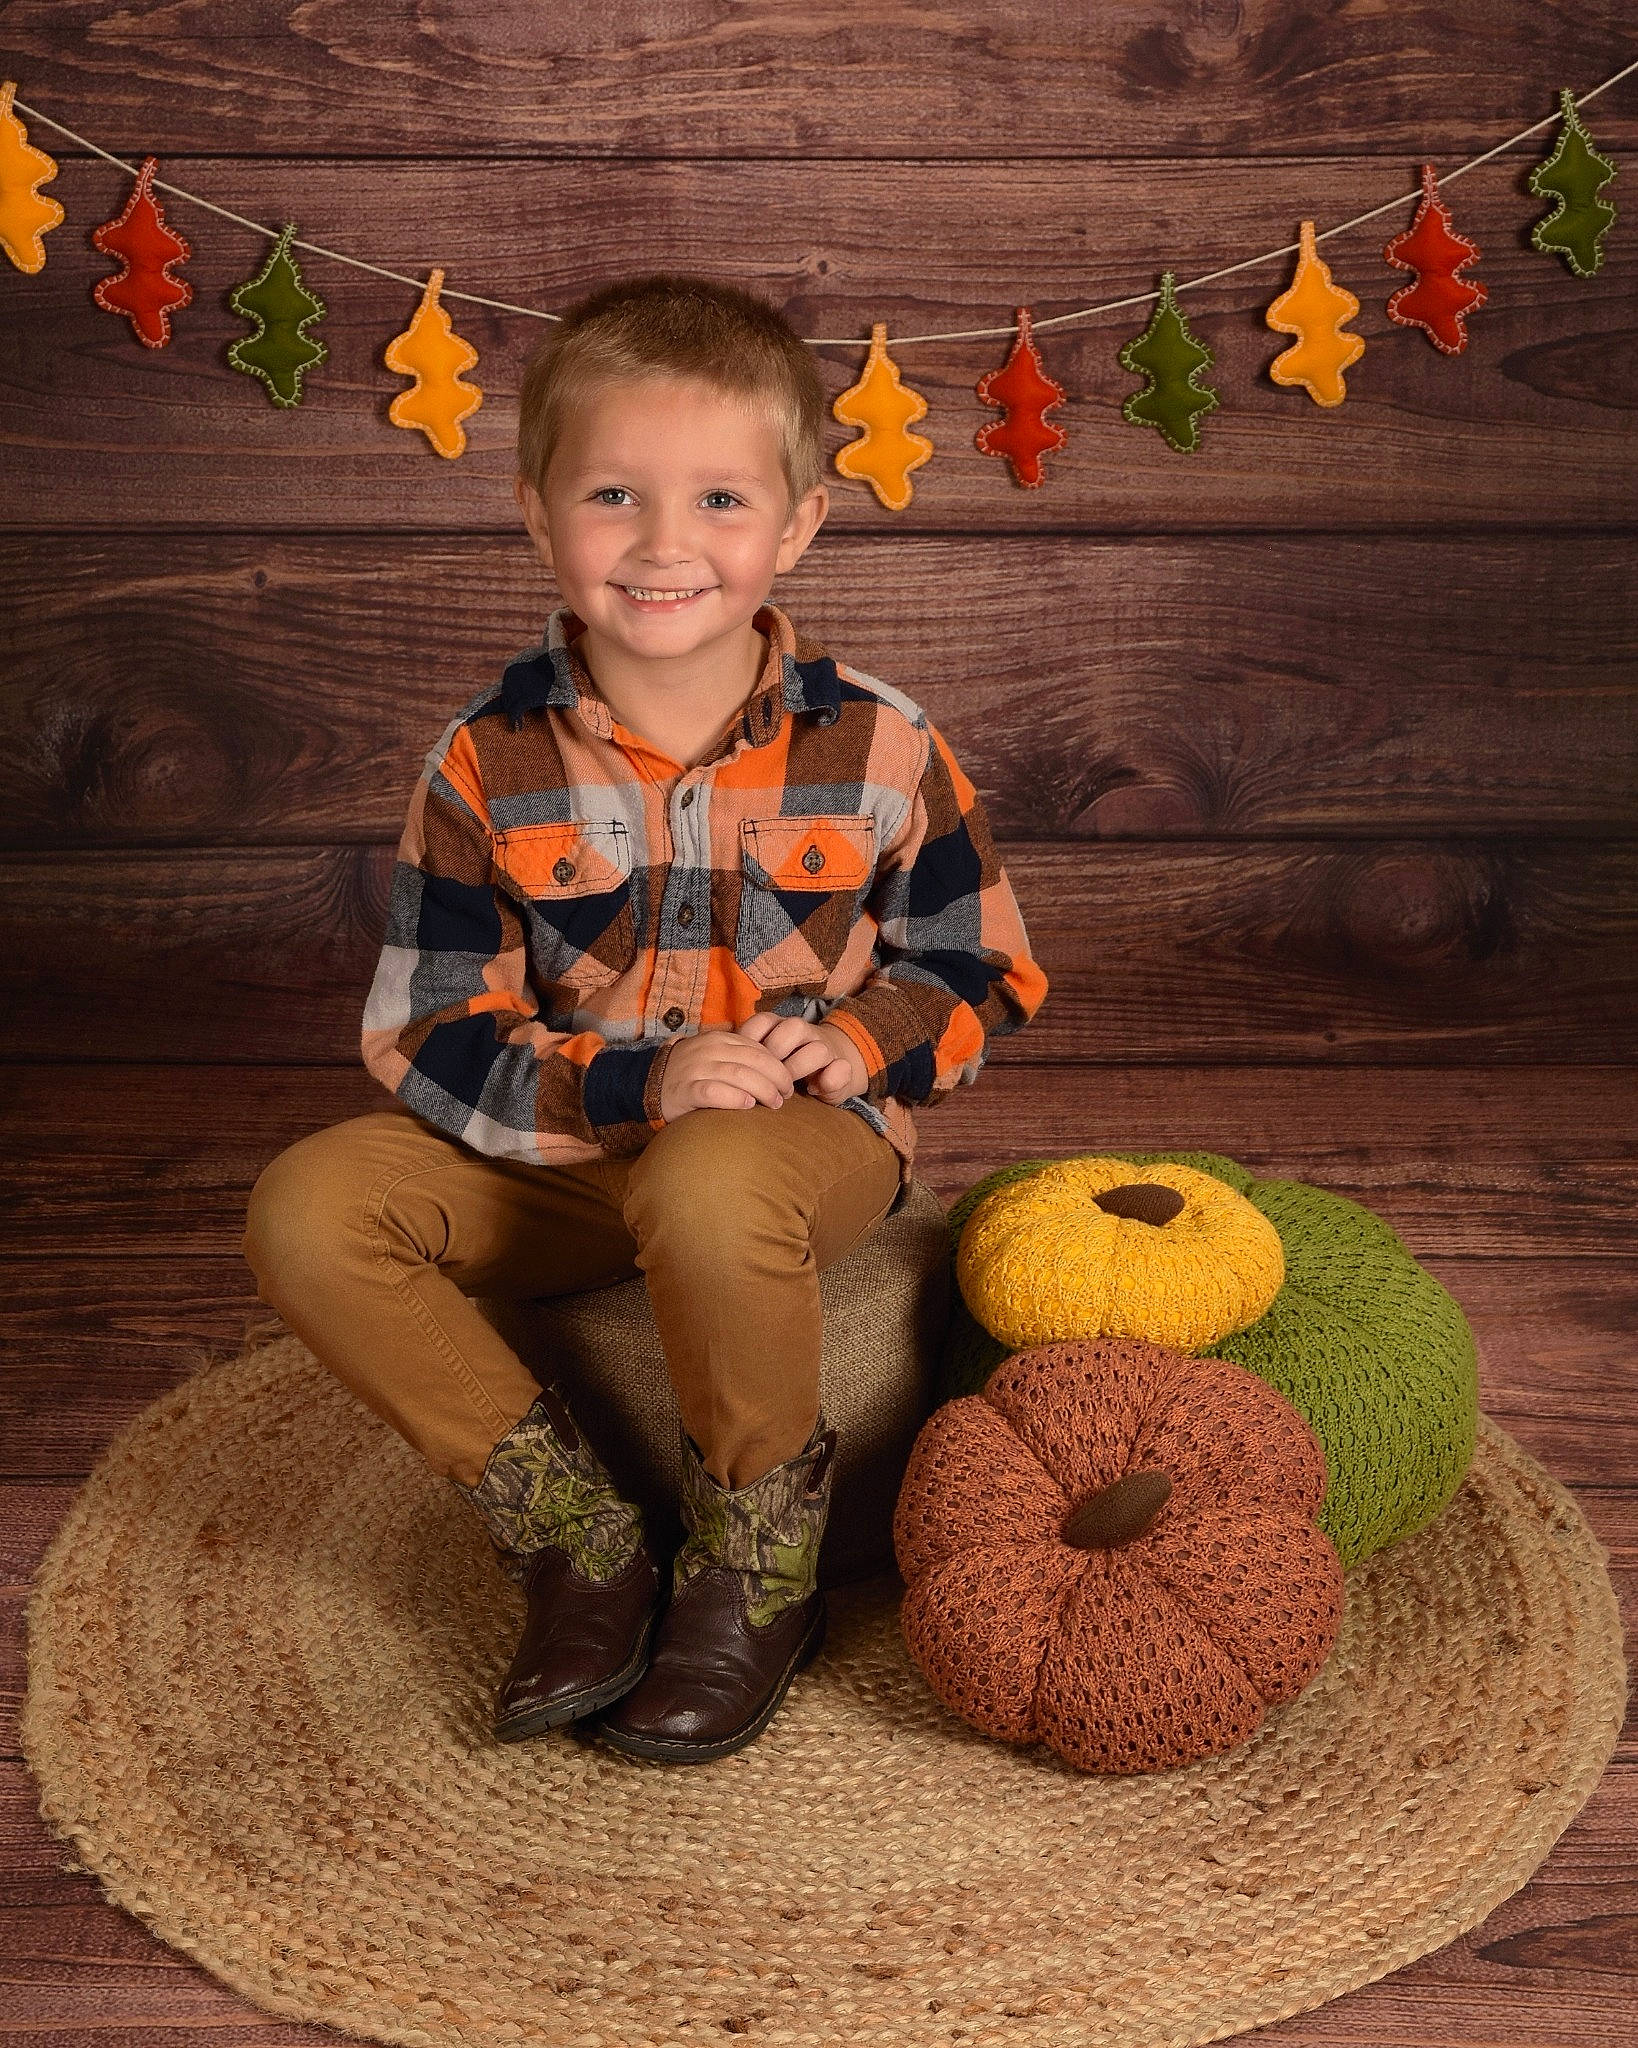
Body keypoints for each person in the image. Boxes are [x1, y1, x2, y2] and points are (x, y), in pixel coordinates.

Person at [240, 271, 1049, 1765]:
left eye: (722, 500)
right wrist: (634, 1085)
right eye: (614, 493)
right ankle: (580, 1536)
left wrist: (860, 1038)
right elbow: (429, 1031)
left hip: (793, 1155)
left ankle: (754, 1558)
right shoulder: (482, 763)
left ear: (798, 523)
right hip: (568, 1146)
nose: (667, 544)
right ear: (539, 515)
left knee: (710, 1171)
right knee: (309, 1204)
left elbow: (979, 967)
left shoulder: (879, 741)